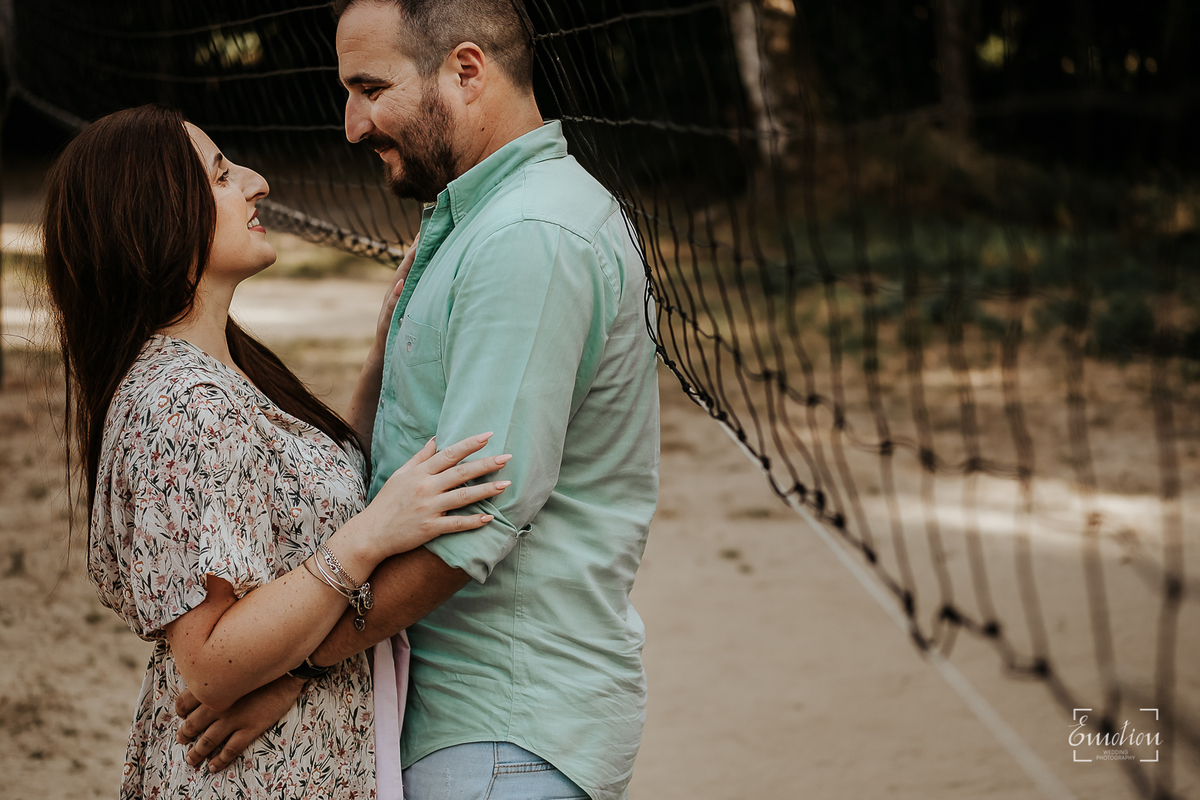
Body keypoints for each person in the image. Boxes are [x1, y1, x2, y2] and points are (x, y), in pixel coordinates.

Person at [182, 1, 661, 797]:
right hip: (457, 722)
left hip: (502, 728)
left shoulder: (528, 235)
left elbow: (474, 521)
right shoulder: (475, 217)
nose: (352, 124)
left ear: (467, 71)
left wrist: (296, 662)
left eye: (370, 87)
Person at [42, 103, 513, 799]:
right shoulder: (183, 406)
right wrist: (368, 538)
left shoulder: (216, 372)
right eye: (224, 175)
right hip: (260, 776)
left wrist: (384, 345)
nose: (257, 182)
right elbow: (209, 663)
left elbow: (307, 496)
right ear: (157, 215)